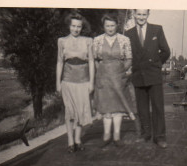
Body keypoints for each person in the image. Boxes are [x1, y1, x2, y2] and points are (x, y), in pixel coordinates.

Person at [125, 9, 170, 148]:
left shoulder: (157, 29)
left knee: (157, 107)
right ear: (134, 15)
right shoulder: (128, 33)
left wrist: (156, 65)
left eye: (144, 14)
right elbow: (127, 55)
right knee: (142, 107)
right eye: (138, 14)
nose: (141, 17)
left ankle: (160, 137)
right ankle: (146, 134)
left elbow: (166, 51)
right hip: (138, 75)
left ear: (148, 15)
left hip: (153, 74)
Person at [93, 13, 135, 148]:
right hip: (103, 78)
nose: (110, 28)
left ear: (117, 25)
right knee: (106, 108)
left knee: (118, 107)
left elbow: (129, 59)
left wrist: (121, 71)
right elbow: (94, 59)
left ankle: (116, 136)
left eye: (112, 25)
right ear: (103, 26)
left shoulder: (124, 40)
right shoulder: (97, 40)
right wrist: (101, 71)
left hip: (119, 77)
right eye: (107, 26)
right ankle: (106, 135)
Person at [56, 13, 94, 153]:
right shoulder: (62, 41)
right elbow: (60, 62)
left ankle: (78, 140)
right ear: (69, 26)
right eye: (73, 26)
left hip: (83, 81)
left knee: (80, 112)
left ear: (82, 27)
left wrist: (91, 82)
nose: (76, 29)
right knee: (70, 112)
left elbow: (91, 62)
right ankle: (70, 142)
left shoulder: (88, 41)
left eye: (79, 26)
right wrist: (57, 83)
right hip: (67, 81)